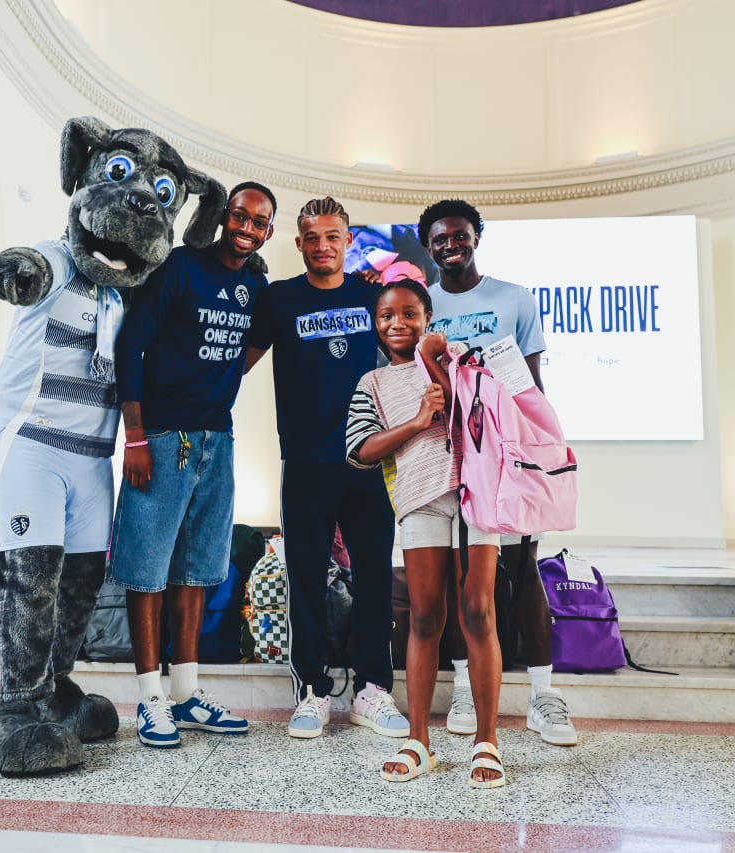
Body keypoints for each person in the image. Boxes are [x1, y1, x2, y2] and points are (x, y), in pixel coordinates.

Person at [110, 182, 276, 747]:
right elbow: (129, 345)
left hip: (216, 441)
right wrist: (134, 436)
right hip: (159, 434)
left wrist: (221, 379)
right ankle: (150, 698)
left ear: (268, 232)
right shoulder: (181, 266)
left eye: (258, 221)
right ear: (224, 217)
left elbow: (251, 348)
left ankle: (185, 691)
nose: (247, 227)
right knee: (148, 569)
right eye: (239, 216)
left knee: (197, 570)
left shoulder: (256, 282)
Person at [245, 197, 409, 740]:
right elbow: (236, 363)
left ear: (346, 239)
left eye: (332, 236)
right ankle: (311, 693)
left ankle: (372, 691)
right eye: (312, 237)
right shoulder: (279, 300)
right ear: (298, 243)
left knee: (372, 578)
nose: (322, 246)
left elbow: (405, 355)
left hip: (367, 459)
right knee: (307, 578)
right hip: (306, 461)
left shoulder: (372, 297)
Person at [419, 198, 577, 746]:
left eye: (459, 235)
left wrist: (536, 452)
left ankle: (542, 696)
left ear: (476, 237)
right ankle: (465, 685)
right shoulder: (425, 304)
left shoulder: (515, 298)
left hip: (508, 453)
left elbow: (533, 386)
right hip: (452, 456)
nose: (450, 244)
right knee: (468, 576)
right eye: (439, 238)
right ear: (429, 245)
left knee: (524, 564)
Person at [346, 280, 506, 787]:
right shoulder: (371, 382)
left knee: (478, 611)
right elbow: (362, 451)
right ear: (376, 323)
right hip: (420, 502)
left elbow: (485, 414)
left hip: (476, 496)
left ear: (428, 317)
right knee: (424, 616)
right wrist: (417, 421)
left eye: (410, 313)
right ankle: (419, 741)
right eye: (387, 315)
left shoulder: (456, 358)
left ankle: (487, 742)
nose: (398, 323)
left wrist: (437, 362)